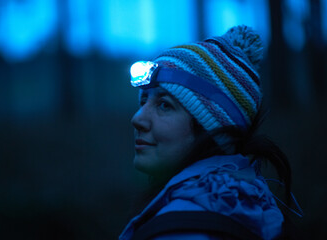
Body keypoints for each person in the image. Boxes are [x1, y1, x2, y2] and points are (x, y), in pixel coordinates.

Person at [120, 25, 297, 240]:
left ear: (213, 127)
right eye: (143, 101)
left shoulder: (185, 229)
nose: (137, 119)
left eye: (164, 105)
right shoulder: (243, 204)